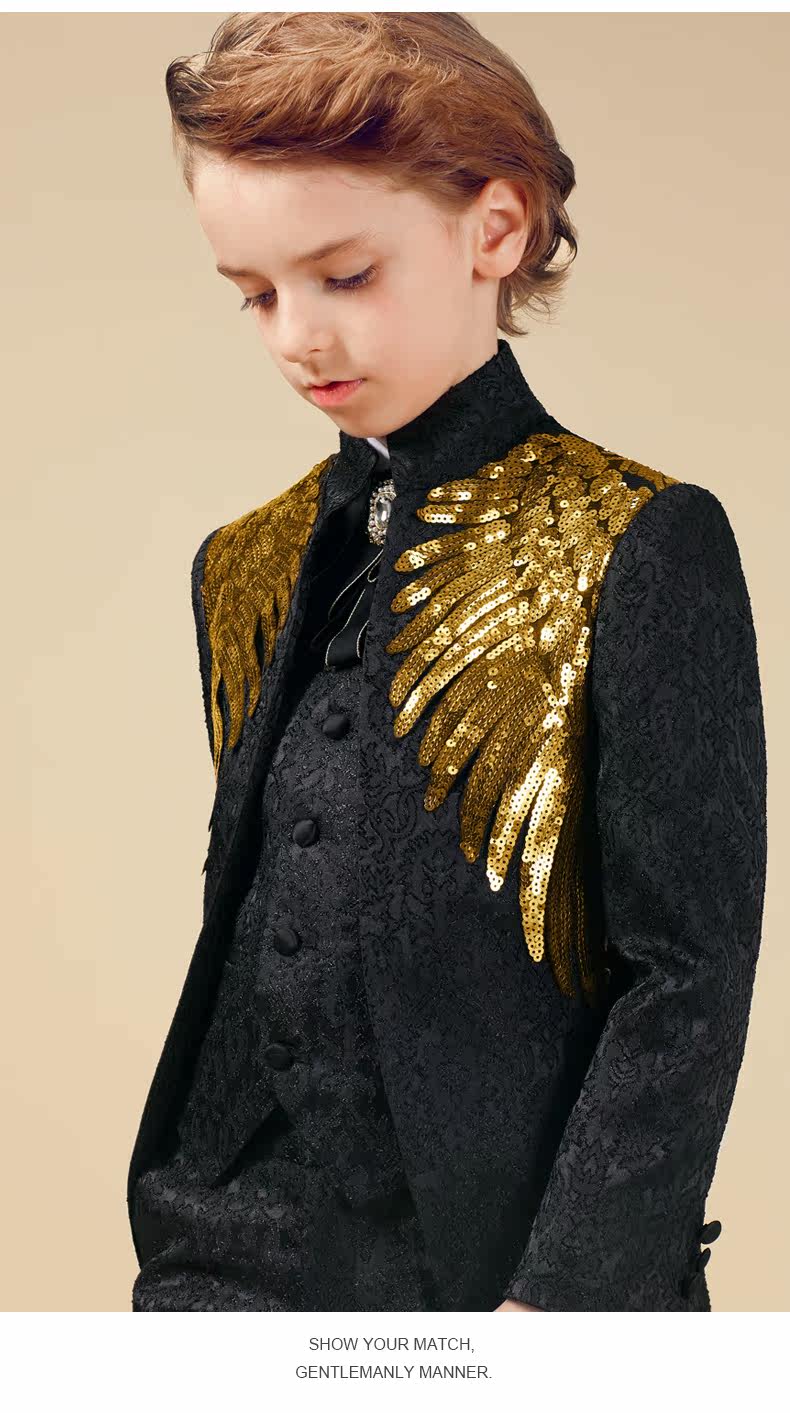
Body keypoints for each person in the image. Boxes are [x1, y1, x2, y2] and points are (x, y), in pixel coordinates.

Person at [127, 12, 767, 1312]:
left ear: (496, 229)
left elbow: (688, 970)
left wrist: (563, 1304)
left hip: (506, 1276)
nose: (295, 337)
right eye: (255, 294)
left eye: (345, 275)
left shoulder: (640, 542)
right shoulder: (241, 566)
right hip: (224, 1256)